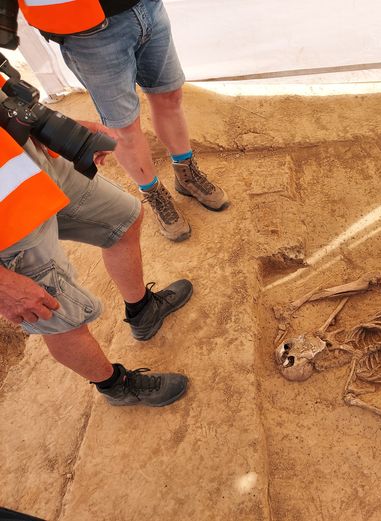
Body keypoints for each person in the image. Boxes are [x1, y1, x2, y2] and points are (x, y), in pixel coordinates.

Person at [0, 122, 192, 407]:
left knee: (123, 217)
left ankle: (143, 311)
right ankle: (116, 386)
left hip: (29, 159)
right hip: (8, 223)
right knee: (58, 314)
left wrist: (54, 126)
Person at [16, 0, 229, 242]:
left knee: (169, 95)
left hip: (146, 6)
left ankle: (185, 173)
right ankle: (154, 192)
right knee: (124, 127)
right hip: (88, 33)